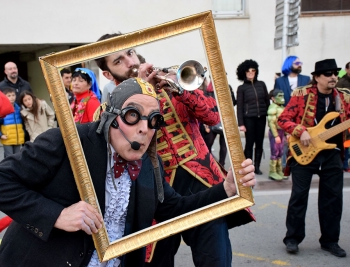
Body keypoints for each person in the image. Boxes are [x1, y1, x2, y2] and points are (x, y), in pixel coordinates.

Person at [0, 78, 256, 267]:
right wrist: (58, 215)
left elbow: (174, 209)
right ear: (110, 116)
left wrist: (227, 190)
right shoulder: (68, 142)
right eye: (133, 116)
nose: (144, 129)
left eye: (154, 121)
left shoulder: (151, 162)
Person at [95, 33, 255, 267]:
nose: (130, 62)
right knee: (157, 262)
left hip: (202, 181)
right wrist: (139, 92)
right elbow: (110, 142)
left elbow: (213, 116)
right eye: (118, 61)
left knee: (215, 260)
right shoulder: (107, 108)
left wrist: (181, 90)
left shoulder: (171, 83)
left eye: (129, 53)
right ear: (108, 74)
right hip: (155, 193)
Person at [278, 59, 347, 258]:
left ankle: (330, 241)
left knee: (333, 200)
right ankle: (293, 238)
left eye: (335, 73)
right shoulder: (302, 95)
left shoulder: (344, 98)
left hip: (332, 153)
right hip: (304, 151)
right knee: (299, 197)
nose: (333, 77)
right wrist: (300, 130)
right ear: (317, 77)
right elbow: (283, 119)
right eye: (328, 74)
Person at [274, 56, 311, 173]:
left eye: (300, 62)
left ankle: (302, 162)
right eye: (297, 63)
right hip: (286, 117)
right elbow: (276, 98)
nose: (300, 65)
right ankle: (286, 166)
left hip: (301, 117)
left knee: (302, 139)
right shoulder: (280, 81)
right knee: (285, 142)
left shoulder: (306, 79)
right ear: (289, 64)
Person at [236, 59, 270, 175]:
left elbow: (267, 101)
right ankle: (248, 167)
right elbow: (239, 107)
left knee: (259, 143)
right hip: (248, 119)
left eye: (253, 70)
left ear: (256, 72)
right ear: (244, 73)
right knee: (249, 143)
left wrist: (269, 116)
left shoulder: (262, 84)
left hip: (261, 118)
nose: (251, 73)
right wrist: (241, 124)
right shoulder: (242, 88)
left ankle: (257, 166)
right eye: (248, 71)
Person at [200, 80, 236, 167]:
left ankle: (220, 165)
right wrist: (206, 124)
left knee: (223, 145)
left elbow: (233, 102)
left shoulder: (226, 87)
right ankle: (212, 164)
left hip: (221, 120)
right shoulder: (208, 89)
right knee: (209, 144)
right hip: (213, 120)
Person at [0, 88, 25, 158]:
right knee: (9, 157)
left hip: (17, 138)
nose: (12, 97)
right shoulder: (2, 110)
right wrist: (0, 135)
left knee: (18, 157)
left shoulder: (19, 109)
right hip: (7, 138)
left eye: (13, 95)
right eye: (9, 96)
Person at [267, 89, 286, 181]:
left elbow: (285, 122)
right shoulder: (273, 108)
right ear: (273, 98)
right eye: (279, 96)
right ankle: (273, 171)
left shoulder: (281, 107)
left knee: (281, 152)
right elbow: (271, 123)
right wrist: (276, 136)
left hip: (282, 132)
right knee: (275, 152)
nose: (282, 98)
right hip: (276, 132)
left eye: (282, 95)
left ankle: (279, 170)